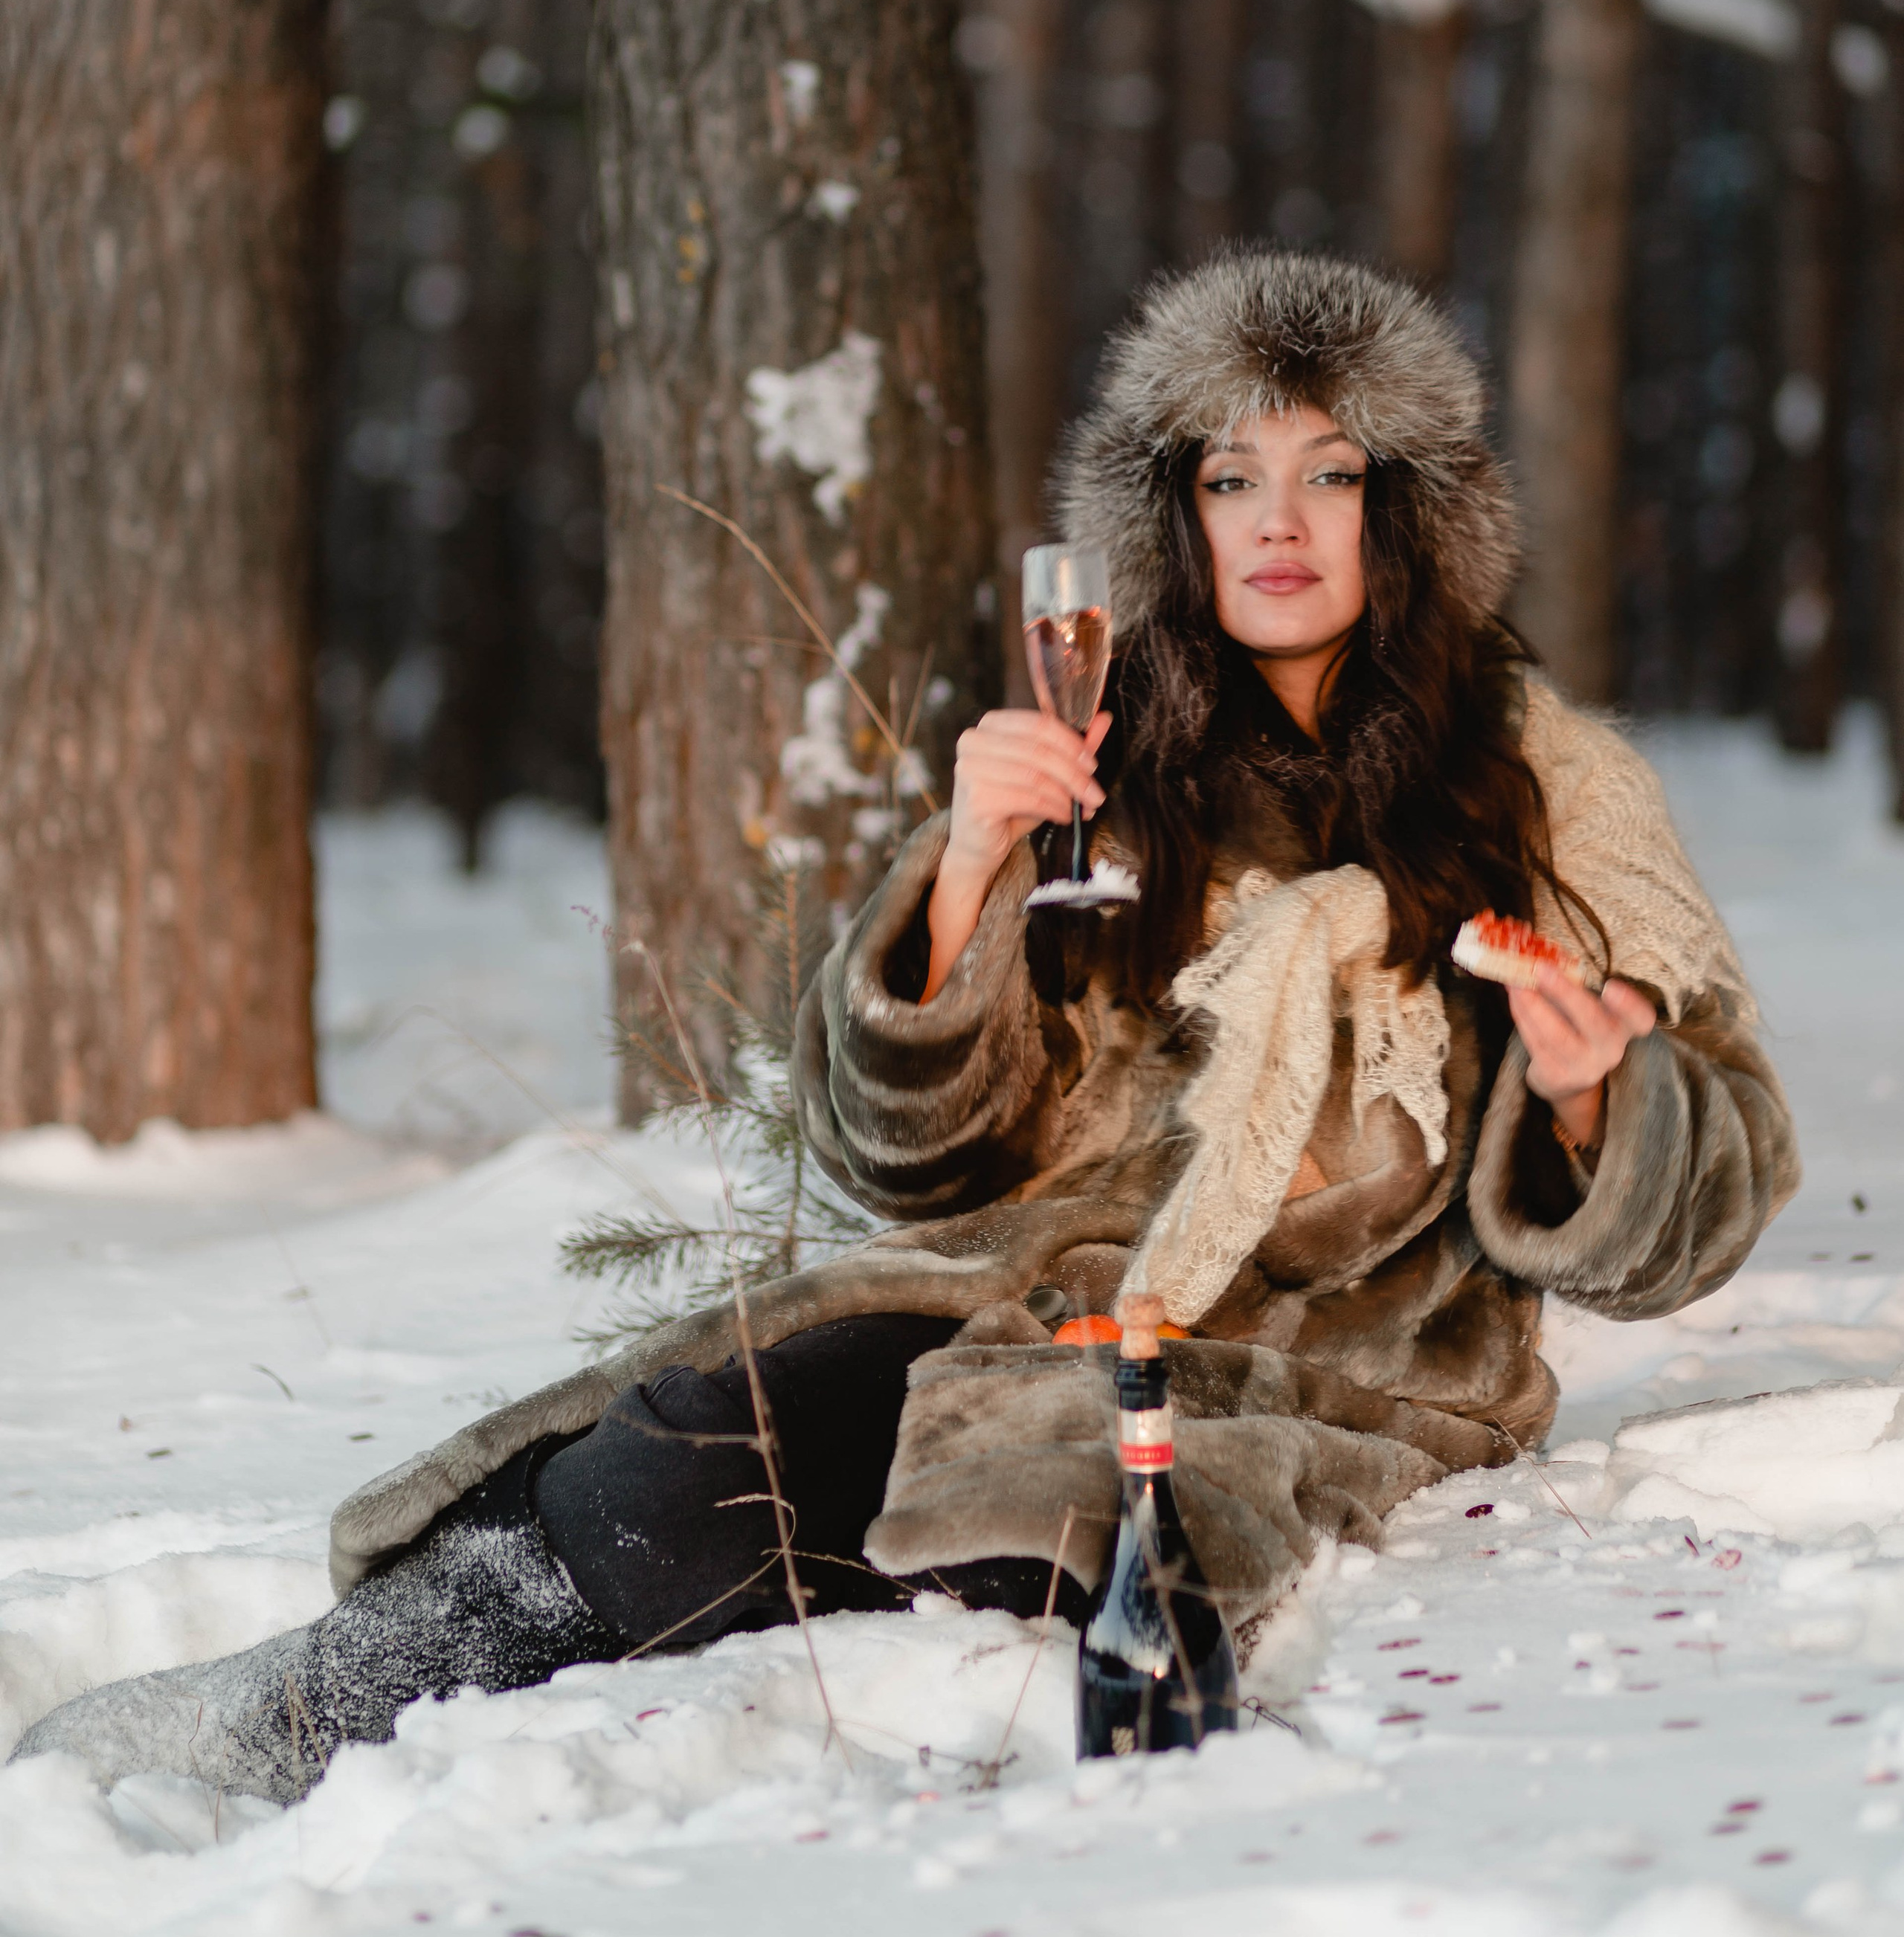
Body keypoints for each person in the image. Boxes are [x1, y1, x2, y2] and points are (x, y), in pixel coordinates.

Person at [14, 248, 1798, 1804]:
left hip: (1328, 1371)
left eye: (1327, 476)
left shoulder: (1553, 791)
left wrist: (1592, 1100)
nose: (1274, 521)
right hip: (1025, 1293)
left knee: (980, 1498)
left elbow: (1696, 1219)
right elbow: (903, 1159)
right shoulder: (1092, 760)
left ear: (1398, 510)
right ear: (1169, 509)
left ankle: (413, 1709)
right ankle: (324, 1701)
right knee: (693, 1438)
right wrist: (963, 873)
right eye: (1230, 474)